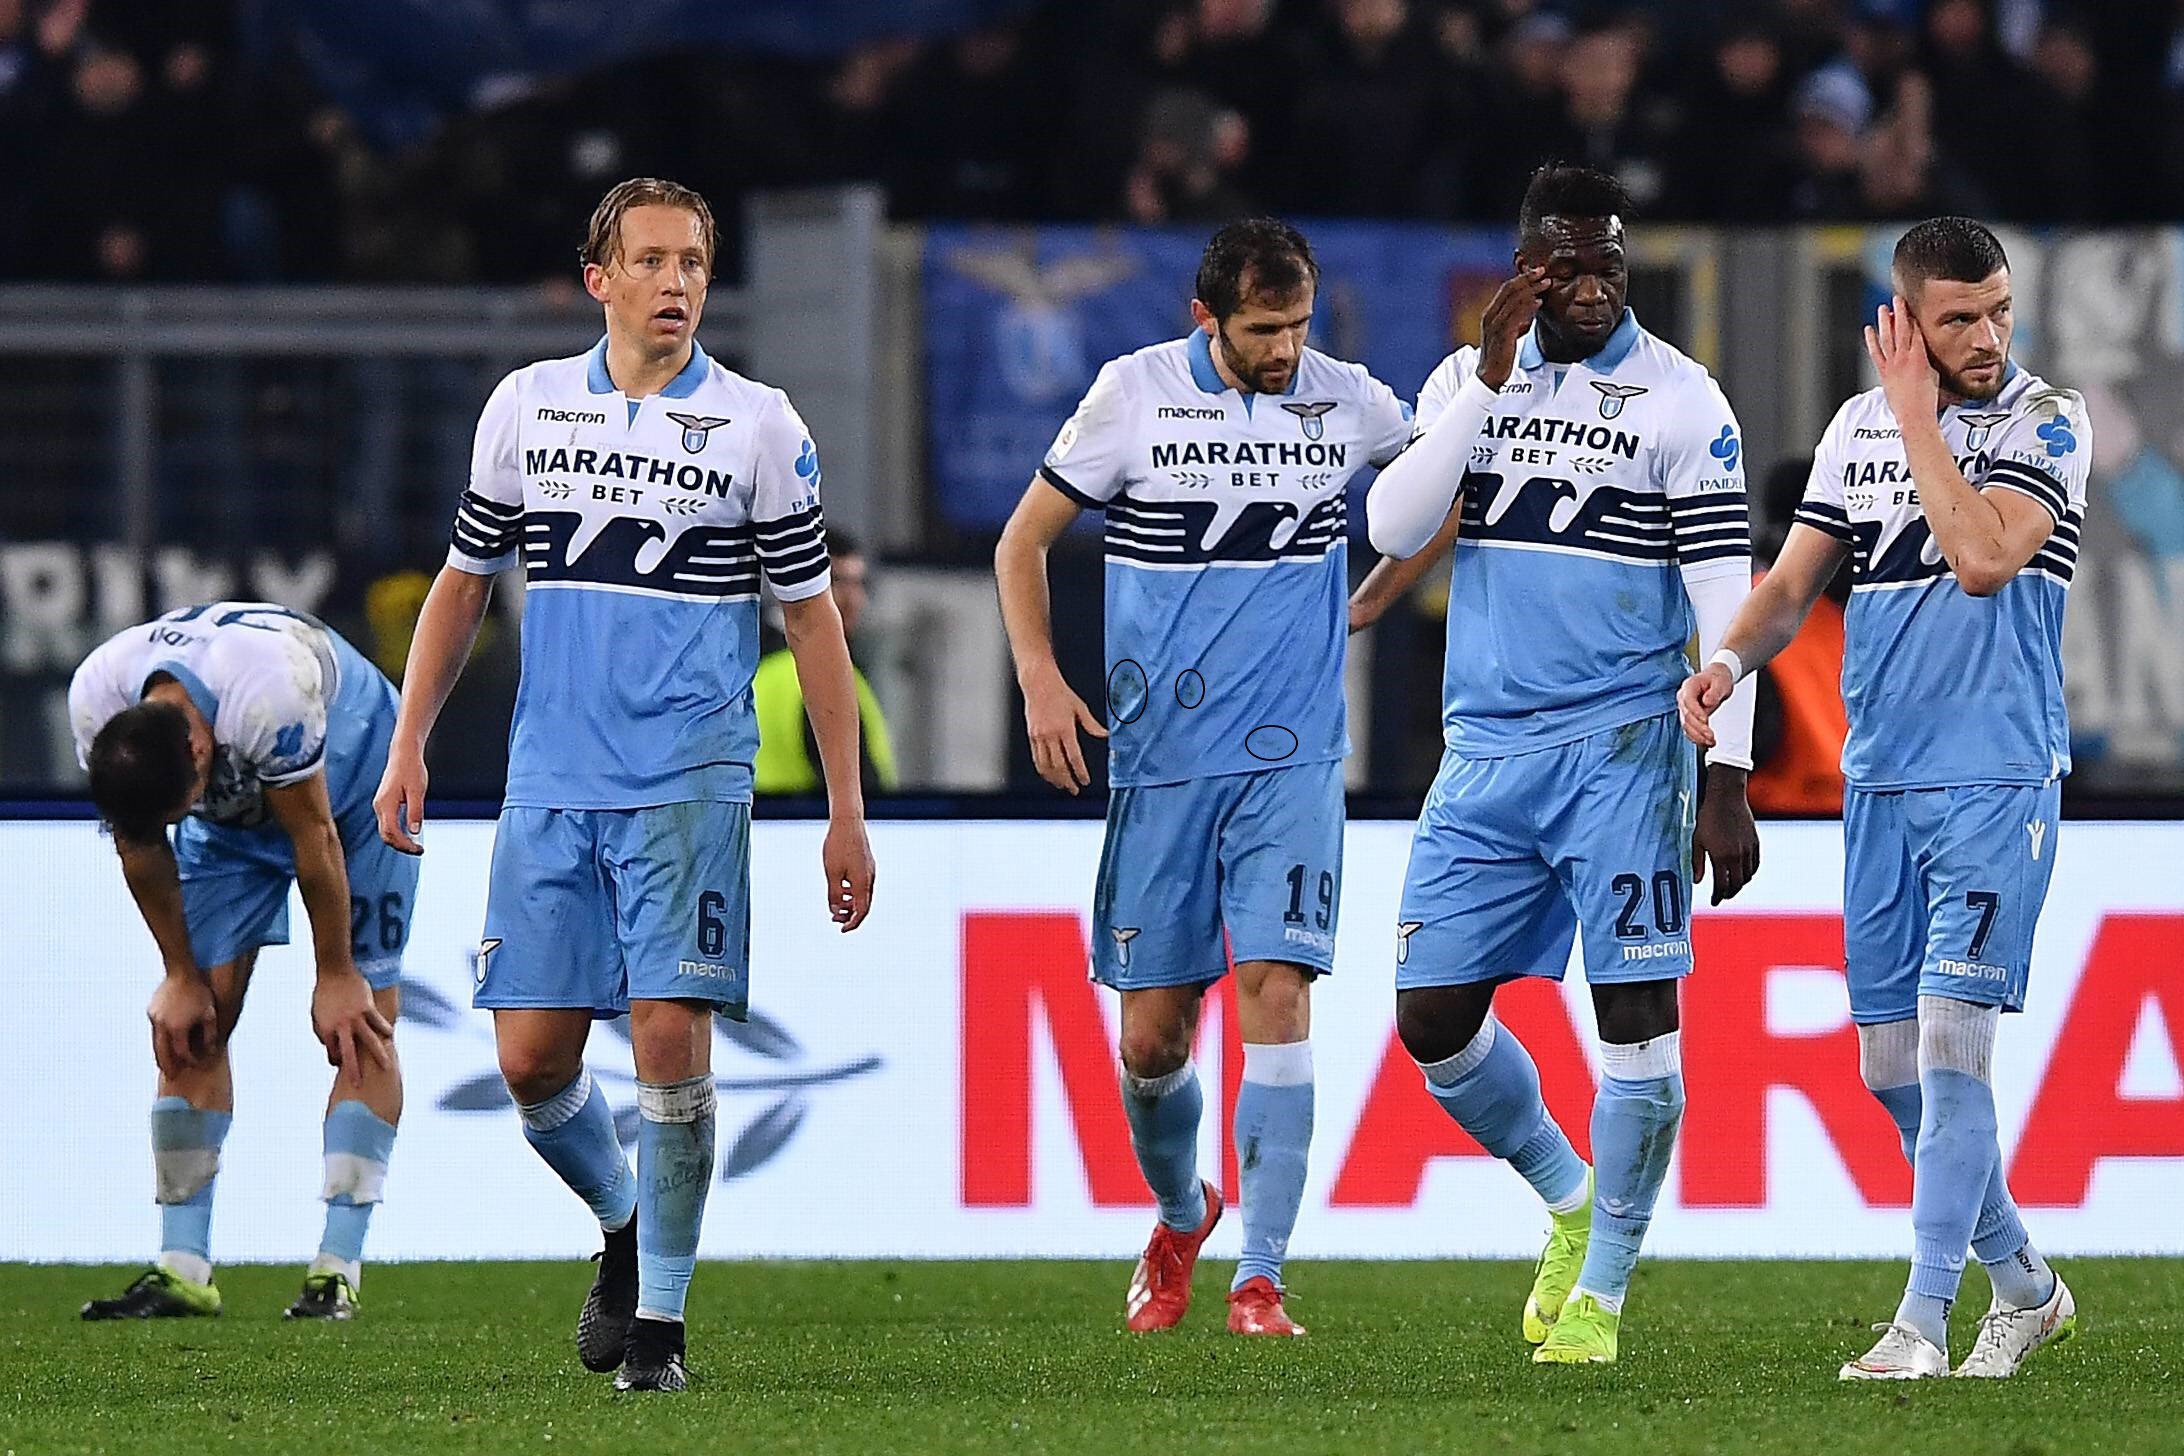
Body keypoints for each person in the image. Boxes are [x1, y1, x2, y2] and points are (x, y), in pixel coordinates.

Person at [374, 176, 876, 1394]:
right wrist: (408, 742)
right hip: (552, 777)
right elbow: (463, 583)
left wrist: (847, 813)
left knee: (668, 1035)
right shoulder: (527, 406)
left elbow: (811, 624)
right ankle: (624, 1224)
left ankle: (660, 1331)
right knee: (534, 1063)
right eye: (650, 262)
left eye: (694, 263)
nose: (675, 283)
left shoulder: (761, 426)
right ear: (599, 281)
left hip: (690, 774)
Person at [1353, 164, 1759, 1366]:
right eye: (1564, 264)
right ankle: (1573, 1201)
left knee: (1636, 1017)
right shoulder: (1470, 378)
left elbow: (1724, 596)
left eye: (1607, 265)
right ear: (1525, 267)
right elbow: (1390, 525)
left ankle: (1604, 1298)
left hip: (1625, 749)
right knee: (1431, 1017)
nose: (1588, 287)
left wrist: (1727, 779)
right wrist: (1484, 378)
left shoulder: (1683, 400)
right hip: (1482, 748)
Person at [994, 218, 1414, 1338]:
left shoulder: (1348, 398)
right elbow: (1021, 541)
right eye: (1263, 330)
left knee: (1280, 990)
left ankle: (1261, 1277)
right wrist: (1039, 677)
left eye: (1297, 326)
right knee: (1153, 1042)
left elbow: (1441, 479)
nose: (1284, 351)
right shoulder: (1131, 396)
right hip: (1162, 765)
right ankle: (1184, 1216)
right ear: (1205, 317)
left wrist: (1380, 584)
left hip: (1293, 759)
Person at [1681, 216, 2085, 1381]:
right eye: (1960, 316)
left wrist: (1918, 413)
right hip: (1883, 786)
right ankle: (2027, 1286)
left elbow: (1983, 558)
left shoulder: (2045, 421)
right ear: (1905, 317)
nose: (1988, 334)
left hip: (1995, 778)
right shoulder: (1856, 427)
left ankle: (1922, 1321)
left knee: (1958, 1047)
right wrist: (1727, 664)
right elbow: (1793, 582)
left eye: (2000, 308)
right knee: (1887, 1069)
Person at [70, 602, 404, 1322]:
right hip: (235, 823)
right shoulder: (98, 699)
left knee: (362, 1024)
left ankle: (336, 1269)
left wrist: (337, 973)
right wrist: (179, 973)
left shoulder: (267, 694)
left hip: (356, 787)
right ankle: (182, 1266)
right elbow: (139, 843)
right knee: (193, 1025)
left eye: (179, 807)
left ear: (198, 754)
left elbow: (315, 840)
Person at [753, 528, 899, 795]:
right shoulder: (825, 674)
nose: (853, 599)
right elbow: (863, 792)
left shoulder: (746, 665)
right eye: (837, 582)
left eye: (859, 583)